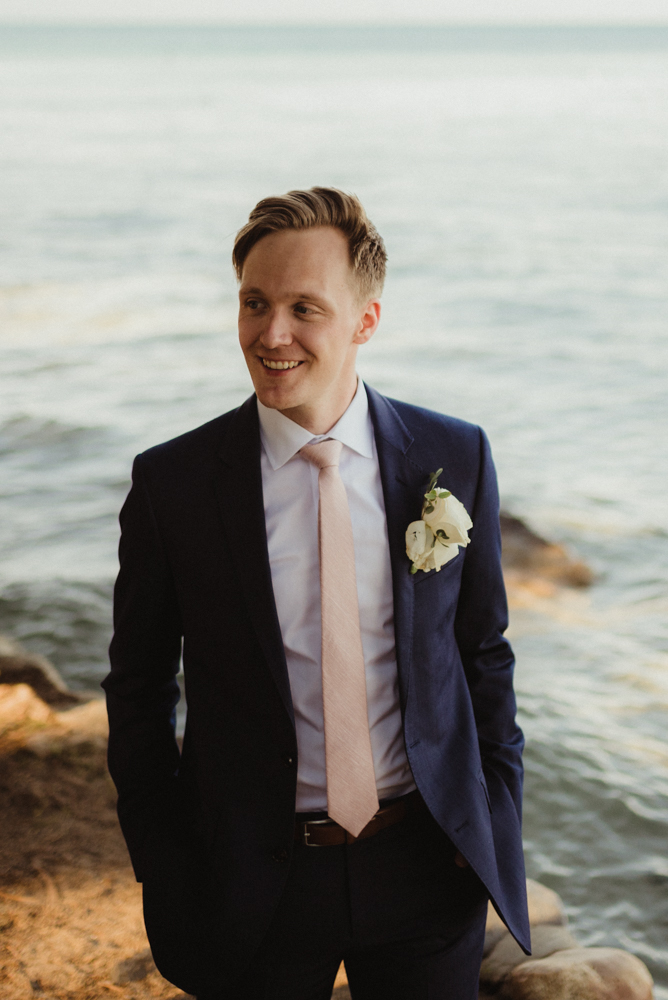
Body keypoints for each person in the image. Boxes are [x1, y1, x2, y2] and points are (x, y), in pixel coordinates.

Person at [103, 187, 530, 1000]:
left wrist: (494, 819)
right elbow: (139, 688)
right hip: (253, 884)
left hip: (425, 866)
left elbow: (483, 655)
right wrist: (165, 862)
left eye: (306, 308)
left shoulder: (454, 455)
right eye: (255, 304)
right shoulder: (176, 484)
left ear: (366, 320)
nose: (272, 335)